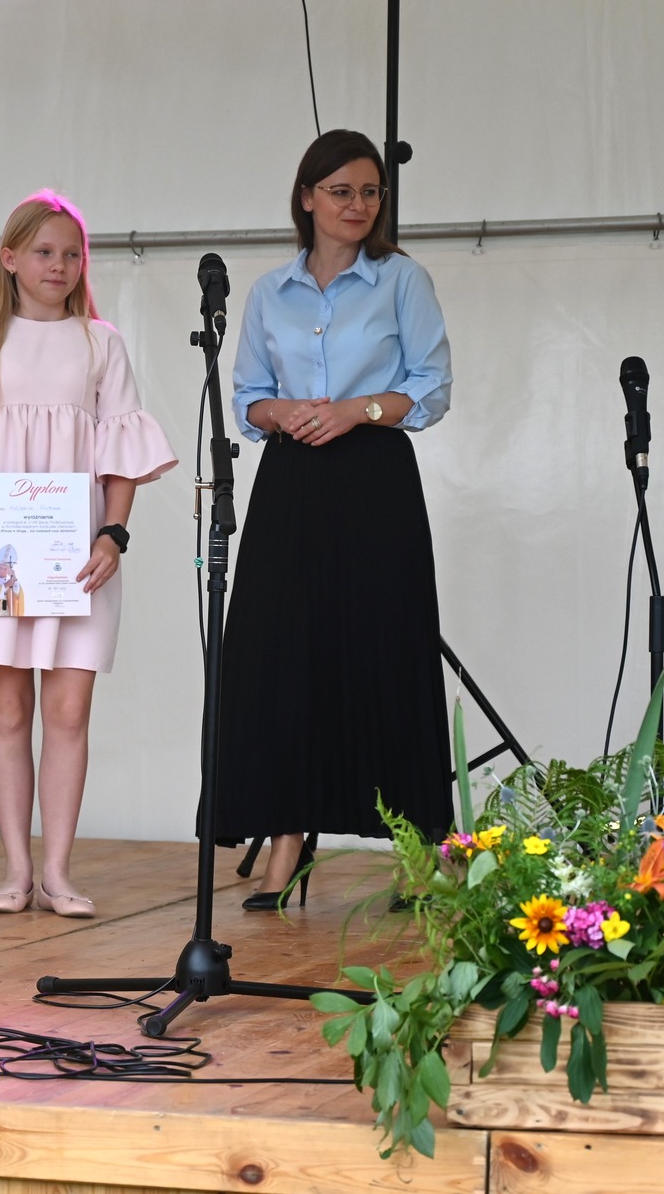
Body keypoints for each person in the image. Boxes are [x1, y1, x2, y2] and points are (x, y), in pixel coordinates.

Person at [0, 192, 175, 918]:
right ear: (11, 259)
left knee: (69, 707)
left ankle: (58, 870)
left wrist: (114, 533)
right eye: (45, 252)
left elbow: (121, 451)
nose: (60, 265)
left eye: (72, 253)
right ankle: (16, 869)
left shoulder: (101, 343)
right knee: (6, 708)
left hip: (78, 556)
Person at [210, 129, 454, 910]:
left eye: (371, 191)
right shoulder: (268, 291)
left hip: (375, 479)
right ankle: (287, 840)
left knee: (386, 652)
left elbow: (434, 385)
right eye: (342, 190)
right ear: (307, 197)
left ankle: (416, 849)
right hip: (292, 485)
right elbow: (247, 396)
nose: (358, 204)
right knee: (285, 661)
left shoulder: (401, 280)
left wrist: (358, 410)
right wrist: (280, 411)